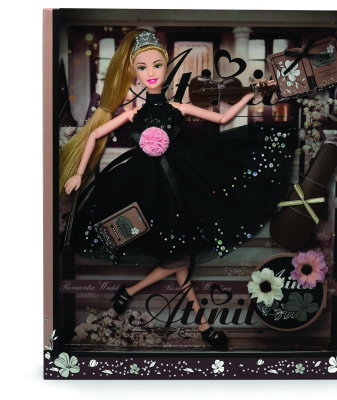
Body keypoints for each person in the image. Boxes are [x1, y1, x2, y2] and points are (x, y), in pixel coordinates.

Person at [59, 30, 295, 349]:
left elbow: (224, 118)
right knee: (177, 257)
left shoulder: (178, 107)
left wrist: (249, 95)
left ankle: (159, 305)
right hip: (145, 188)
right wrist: (78, 172)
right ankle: (201, 324)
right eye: (142, 67)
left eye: (157, 65)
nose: (151, 73)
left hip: (179, 184)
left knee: (179, 257)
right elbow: (94, 134)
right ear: (133, 71)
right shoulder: (132, 114)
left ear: (167, 67)